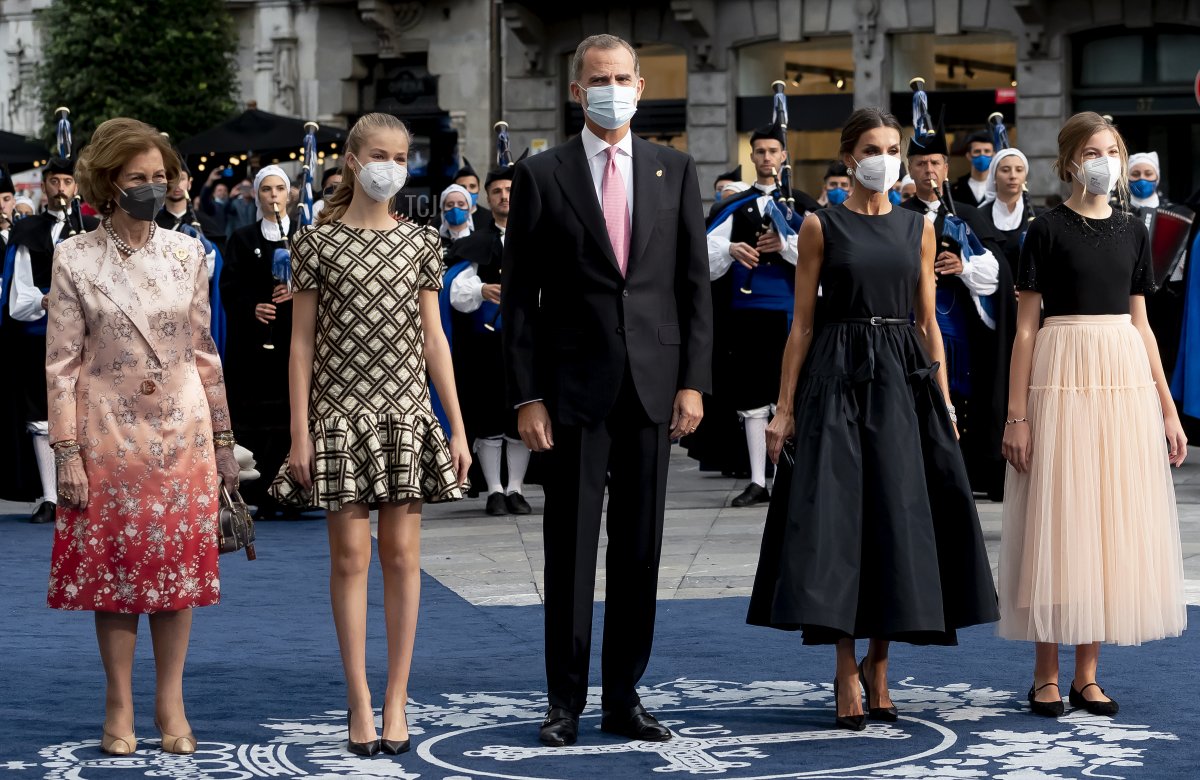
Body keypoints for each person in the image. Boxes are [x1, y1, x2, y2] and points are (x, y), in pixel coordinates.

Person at [748, 107, 999, 730]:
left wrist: (942, 398)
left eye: (892, 147)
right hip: (836, 375)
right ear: (848, 154)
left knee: (898, 514)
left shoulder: (918, 225)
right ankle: (842, 664)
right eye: (872, 147)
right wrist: (784, 410)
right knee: (839, 519)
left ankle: (881, 664)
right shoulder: (818, 224)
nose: (884, 158)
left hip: (903, 379)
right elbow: (801, 324)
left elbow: (927, 321)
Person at [502, 33, 711, 748]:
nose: (611, 88)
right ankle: (564, 702)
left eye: (622, 77)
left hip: (655, 389)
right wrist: (527, 397)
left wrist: (693, 382)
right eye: (598, 78)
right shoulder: (541, 175)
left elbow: (692, 288)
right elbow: (519, 302)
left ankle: (624, 697)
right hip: (571, 393)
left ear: (642, 86)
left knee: (640, 551)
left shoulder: (674, 171)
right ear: (575, 90)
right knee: (570, 550)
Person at [269, 112, 470, 756]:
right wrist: (298, 433)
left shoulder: (420, 243)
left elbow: (434, 340)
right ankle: (357, 695)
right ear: (353, 161)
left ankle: (396, 697)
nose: (393, 165)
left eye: (402, 155)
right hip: (337, 414)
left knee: (403, 560)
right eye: (380, 154)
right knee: (350, 561)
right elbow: (299, 347)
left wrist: (457, 427)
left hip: (406, 415)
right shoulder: (315, 242)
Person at [44, 117, 239, 756]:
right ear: (109, 183)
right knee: (118, 572)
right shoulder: (74, 257)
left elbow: (205, 352)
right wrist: (66, 452)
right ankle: (119, 701)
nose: (152, 188)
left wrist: (223, 441)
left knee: (176, 572)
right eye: (138, 179)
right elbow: (62, 364)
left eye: (160, 177)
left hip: (180, 434)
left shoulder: (189, 253)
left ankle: (171, 701)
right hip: (107, 436)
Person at [1000, 112, 1187, 718]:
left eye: (1113, 149)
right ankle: (1045, 675)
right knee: (1058, 519)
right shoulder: (1046, 229)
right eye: (1093, 150)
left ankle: (1087, 675)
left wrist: (1167, 409)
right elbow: (1024, 332)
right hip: (1061, 377)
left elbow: (1144, 325)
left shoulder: (1134, 231)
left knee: (1105, 525)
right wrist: (1016, 416)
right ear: (1070, 161)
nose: (1104, 160)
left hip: (1122, 381)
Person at [704, 122, 821, 507]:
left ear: (784, 156)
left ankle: (791, 477)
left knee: (790, 393)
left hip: (793, 315)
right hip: (747, 313)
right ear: (751, 156)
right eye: (760, 152)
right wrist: (732, 249)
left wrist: (786, 244)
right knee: (752, 396)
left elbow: (824, 258)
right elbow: (704, 258)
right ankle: (758, 480)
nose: (767, 158)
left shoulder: (803, 205)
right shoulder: (732, 206)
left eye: (773, 151)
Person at [901, 125, 1013, 501]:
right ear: (910, 169)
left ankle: (964, 473)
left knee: (963, 398)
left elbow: (997, 272)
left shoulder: (967, 215)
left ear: (947, 167)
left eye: (935, 162)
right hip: (912, 323)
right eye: (920, 163)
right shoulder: (898, 215)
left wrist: (963, 264)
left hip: (961, 324)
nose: (928, 169)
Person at [0, 156, 98, 523]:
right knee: (41, 415)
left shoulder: (93, 229)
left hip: (88, 339)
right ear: (45, 186)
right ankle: (50, 495)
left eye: (67, 182)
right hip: (39, 337)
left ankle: (87, 490)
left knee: (86, 411)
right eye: (54, 181)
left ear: (76, 187)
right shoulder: (28, 233)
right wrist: (44, 300)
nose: (61, 188)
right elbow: (19, 296)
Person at [445, 164, 533, 515]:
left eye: (510, 191)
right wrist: (482, 289)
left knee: (522, 414)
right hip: (486, 345)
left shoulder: (536, 236)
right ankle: (495, 489)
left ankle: (516, 488)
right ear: (486, 197)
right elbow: (455, 290)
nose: (504, 197)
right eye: (496, 191)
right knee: (490, 417)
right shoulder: (475, 242)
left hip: (528, 342)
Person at [219, 165, 296, 518]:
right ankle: (258, 490)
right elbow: (229, 287)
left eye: (280, 189)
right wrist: (253, 307)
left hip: (292, 341)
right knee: (254, 416)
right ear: (258, 195)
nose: (274, 196)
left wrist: (296, 293)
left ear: (290, 194)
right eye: (267, 189)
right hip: (253, 346)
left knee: (290, 413)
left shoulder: (303, 237)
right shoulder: (242, 238)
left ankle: (290, 489)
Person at [978, 148, 1036, 277]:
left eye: (1019, 170)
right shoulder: (979, 217)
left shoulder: (1040, 216)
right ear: (994, 176)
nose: (1013, 176)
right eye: (1005, 170)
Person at [950, 129, 994, 207]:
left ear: (993, 155)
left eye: (987, 151)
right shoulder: (954, 189)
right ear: (969, 156)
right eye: (977, 151)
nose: (982, 155)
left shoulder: (1000, 187)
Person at [437, 184, 474, 252]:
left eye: (461, 204)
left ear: (469, 209)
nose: (455, 209)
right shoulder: (436, 243)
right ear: (443, 210)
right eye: (450, 205)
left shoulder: (478, 241)